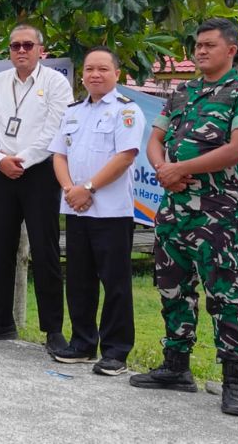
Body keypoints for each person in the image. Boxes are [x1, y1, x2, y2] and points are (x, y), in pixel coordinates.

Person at [129, 18, 238, 417]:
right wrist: (161, 169)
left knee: (224, 295)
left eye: (209, 45)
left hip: (217, 213)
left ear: (231, 50)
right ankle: (176, 367)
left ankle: (234, 381)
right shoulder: (181, 93)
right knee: (172, 288)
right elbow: (155, 138)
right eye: (197, 46)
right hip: (173, 210)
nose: (201, 51)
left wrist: (181, 170)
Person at [0, 25, 74, 354]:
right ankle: (2, 320)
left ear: (40, 50)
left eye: (28, 45)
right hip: (3, 171)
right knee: (1, 246)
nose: (21, 50)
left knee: (45, 251)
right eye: (15, 45)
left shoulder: (56, 83)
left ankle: (53, 330)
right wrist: (0, 160)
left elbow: (55, 131)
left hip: (41, 172)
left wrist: (24, 160)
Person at [48, 46, 145, 375]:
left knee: (115, 283)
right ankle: (82, 343)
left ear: (117, 74)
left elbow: (125, 157)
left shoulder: (125, 111)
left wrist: (87, 188)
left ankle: (116, 351)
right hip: (76, 210)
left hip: (111, 213)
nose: (95, 74)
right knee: (78, 280)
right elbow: (59, 155)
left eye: (103, 69)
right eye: (90, 69)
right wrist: (70, 190)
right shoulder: (73, 111)